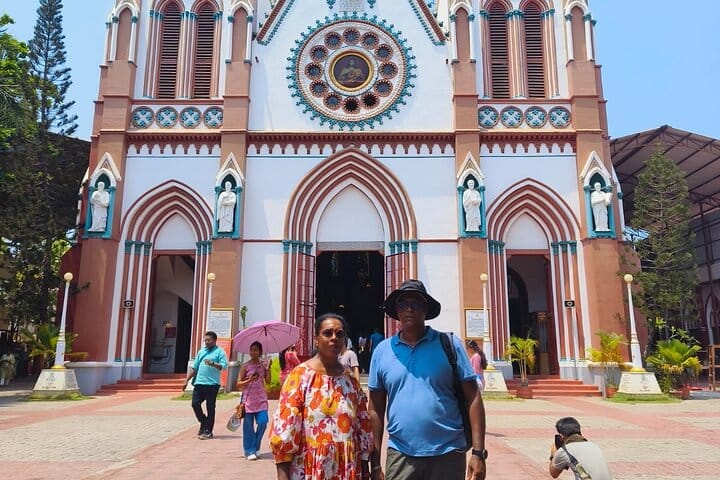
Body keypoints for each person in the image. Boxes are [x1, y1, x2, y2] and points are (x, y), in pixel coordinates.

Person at [368, 279, 487, 480]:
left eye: (416, 303)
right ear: (396, 311)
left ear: (426, 309)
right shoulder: (382, 351)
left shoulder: (449, 344)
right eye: (403, 304)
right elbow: (375, 409)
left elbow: (473, 397)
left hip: (448, 453)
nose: (409, 309)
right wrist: (375, 463)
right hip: (400, 453)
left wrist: (478, 453)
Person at [270, 313, 373, 480]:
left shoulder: (350, 381)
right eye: (327, 333)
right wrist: (283, 475)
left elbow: (363, 425)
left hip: (348, 469)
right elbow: (285, 427)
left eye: (339, 334)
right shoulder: (300, 377)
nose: (334, 338)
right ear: (316, 339)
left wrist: (366, 467)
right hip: (310, 469)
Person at [182, 331, 228, 439]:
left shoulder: (219, 352)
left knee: (210, 407)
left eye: (209, 340)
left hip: (212, 384)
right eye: (205, 340)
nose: (207, 342)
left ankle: (208, 430)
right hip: (199, 383)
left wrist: (213, 363)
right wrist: (186, 380)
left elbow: (224, 366)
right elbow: (194, 367)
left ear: (215, 340)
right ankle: (203, 421)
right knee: (195, 404)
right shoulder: (201, 351)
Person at [237, 341, 271, 460]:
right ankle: (249, 450)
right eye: (251, 350)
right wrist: (249, 380)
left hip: (261, 399)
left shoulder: (263, 365)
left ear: (260, 352)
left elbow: (268, 381)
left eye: (256, 350)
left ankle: (256, 445)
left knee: (263, 422)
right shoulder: (245, 366)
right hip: (248, 400)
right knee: (248, 427)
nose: (253, 352)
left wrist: (268, 368)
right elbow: (238, 383)